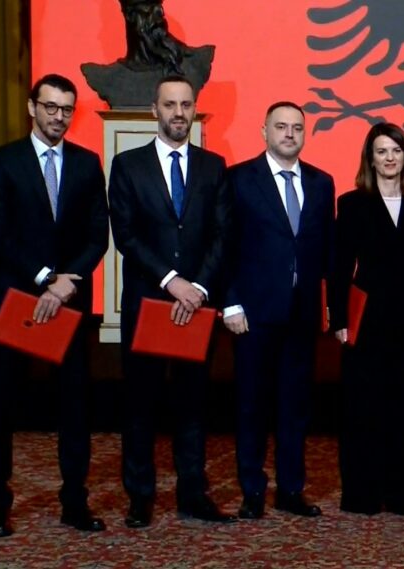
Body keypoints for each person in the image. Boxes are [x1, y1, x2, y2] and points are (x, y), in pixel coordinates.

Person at [0, 73, 109, 538]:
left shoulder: (87, 163)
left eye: (67, 109)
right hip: (16, 299)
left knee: (75, 408)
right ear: (33, 107)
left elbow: (98, 236)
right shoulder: (4, 160)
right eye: (51, 107)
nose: (59, 116)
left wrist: (63, 286)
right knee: (1, 408)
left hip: (69, 302)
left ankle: (75, 502)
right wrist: (44, 279)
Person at [108, 74, 234, 528]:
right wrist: (171, 281)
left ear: (194, 109)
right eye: (170, 104)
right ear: (154, 111)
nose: (179, 113)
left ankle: (193, 494)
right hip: (149, 303)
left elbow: (223, 234)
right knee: (140, 404)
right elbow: (126, 235)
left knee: (192, 403)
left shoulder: (214, 166)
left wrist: (197, 288)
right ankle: (140, 497)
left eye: (186, 104)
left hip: (197, 304)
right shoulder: (127, 165)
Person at [223, 101, 335, 519]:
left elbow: (325, 250)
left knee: (295, 407)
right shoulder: (239, 179)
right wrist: (230, 302)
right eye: (281, 127)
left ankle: (291, 490)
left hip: (302, 314)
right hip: (252, 314)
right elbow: (226, 245)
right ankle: (252, 491)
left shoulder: (322, 183)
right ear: (264, 132)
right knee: (252, 406)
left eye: (297, 128)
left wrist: (329, 305)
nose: (290, 134)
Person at [329, 122, 404, 515]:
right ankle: (362, 495)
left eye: (396, 151)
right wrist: (339, 319)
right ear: (370, 159)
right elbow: (340, 267)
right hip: (367, 323)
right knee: (363, 410)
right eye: (382, 151)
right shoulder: (352, 203)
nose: (390, 158)